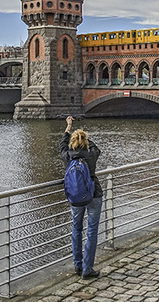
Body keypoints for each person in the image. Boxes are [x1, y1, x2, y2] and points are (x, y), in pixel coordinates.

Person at [62, 116, 103, 279]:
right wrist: (84, 136)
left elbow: (62, 145)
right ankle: (87, 269)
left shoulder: (68, 156)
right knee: (92, 232)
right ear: (85, 141)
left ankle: (77, 266)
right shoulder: (91, 154)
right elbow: (96, 148)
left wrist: (68, 127)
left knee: (76, 229)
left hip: (76, 196)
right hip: (94, 194)